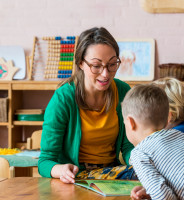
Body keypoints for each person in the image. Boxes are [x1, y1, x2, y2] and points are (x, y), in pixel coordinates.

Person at [38, 27, 134, 183]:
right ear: (81, 63)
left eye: (112, 64)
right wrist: (61, 170)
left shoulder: (123, 91)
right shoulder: (63, 98)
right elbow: (45, 162)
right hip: (76, 177)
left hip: (112, 174)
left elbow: (128, 147)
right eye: (96, 66)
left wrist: (137, 160)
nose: (106, 74)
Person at [121, 84, 184, 200]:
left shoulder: (139, 153)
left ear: (130, 123)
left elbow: (164, 197)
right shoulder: (179, 135)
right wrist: (151, 189)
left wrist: (156, 193)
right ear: (168, 120)